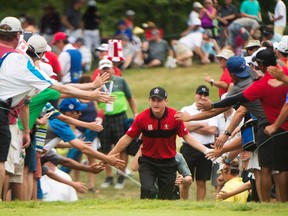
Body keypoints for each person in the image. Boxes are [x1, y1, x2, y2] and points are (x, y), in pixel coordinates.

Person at [202, 50, 288, 202]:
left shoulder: (261, 85)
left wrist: (213, 105)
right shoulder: (284, 72)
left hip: (270, 127)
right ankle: (283, 203)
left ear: (261, 64)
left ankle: (267, 204)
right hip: (283, 127)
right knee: (282, 168)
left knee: (266, 168)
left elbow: (238, 100)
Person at [108, 87, 214, 200]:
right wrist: (108, 156)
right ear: (149, 101)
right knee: (148, 190)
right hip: (148, 162)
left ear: (166, 101)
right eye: (153, 100)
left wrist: (206, 150)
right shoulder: (142, 118)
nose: (156, 103)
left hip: (168, 163)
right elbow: (127, 138)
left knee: (166, 198)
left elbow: (187, 137)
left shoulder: (174, 117)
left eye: (159, 100)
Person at [97, 58, 138, 190]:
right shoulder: (97, 83)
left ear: (113, 69)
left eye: (108, 68)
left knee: (123, 148)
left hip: (120, 117)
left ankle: (121, 175)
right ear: (100, 71)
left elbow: (130, 97)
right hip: (105, 118)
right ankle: (109, 176)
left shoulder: (120, 81)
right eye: (103, 69)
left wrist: (135, 113)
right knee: (105, 148)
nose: (106, 71)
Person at [179, 85, 218, 201]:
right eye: (200, 94)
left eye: (205, 95)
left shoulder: (211, 111)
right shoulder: (186, 109)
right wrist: (201, 124)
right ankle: (183, 204)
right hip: (188, 148)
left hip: (205, 149)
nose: (202, 97)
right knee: (185, 180)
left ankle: (199, 205)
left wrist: (192, 126)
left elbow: (212, 130)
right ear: (195, 95)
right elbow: (183, 127)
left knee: (201, 181)